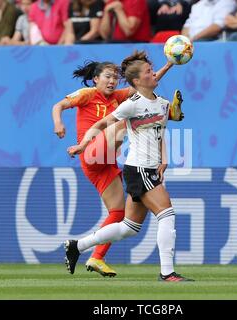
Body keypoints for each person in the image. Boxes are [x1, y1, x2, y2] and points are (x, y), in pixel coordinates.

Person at [64, 51, 193, 282]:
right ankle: (167, 273)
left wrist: (165, 157)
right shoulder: (130, 105)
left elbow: (160, 130)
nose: (154, 74)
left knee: (128, 227)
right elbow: (102, 123)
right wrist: (83, 144)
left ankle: (77, 245)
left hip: (149, 168)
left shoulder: (161, 103)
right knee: (167, 214)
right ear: (137, 81)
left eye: (153, 70)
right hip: (139, 168)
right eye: (148, 72)